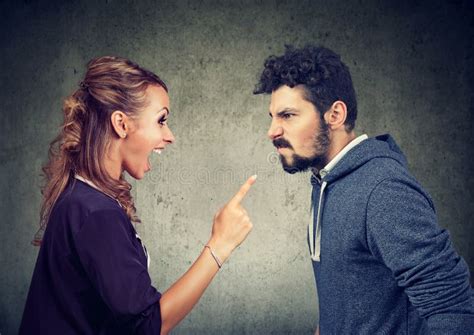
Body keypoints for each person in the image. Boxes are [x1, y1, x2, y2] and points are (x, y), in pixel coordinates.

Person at [19, 56, 256, 334]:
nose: (170, 136)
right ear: (121, 124)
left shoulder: (82, 197)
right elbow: (148, 325)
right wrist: (220, 245)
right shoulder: (96, 213)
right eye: (161, 120)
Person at [254, 45, 474, 334]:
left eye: (288, 115)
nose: (272, 130)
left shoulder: (383, 190)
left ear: (335, 115)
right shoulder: (325, 181)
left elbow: (453, 310)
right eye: (272, 116)